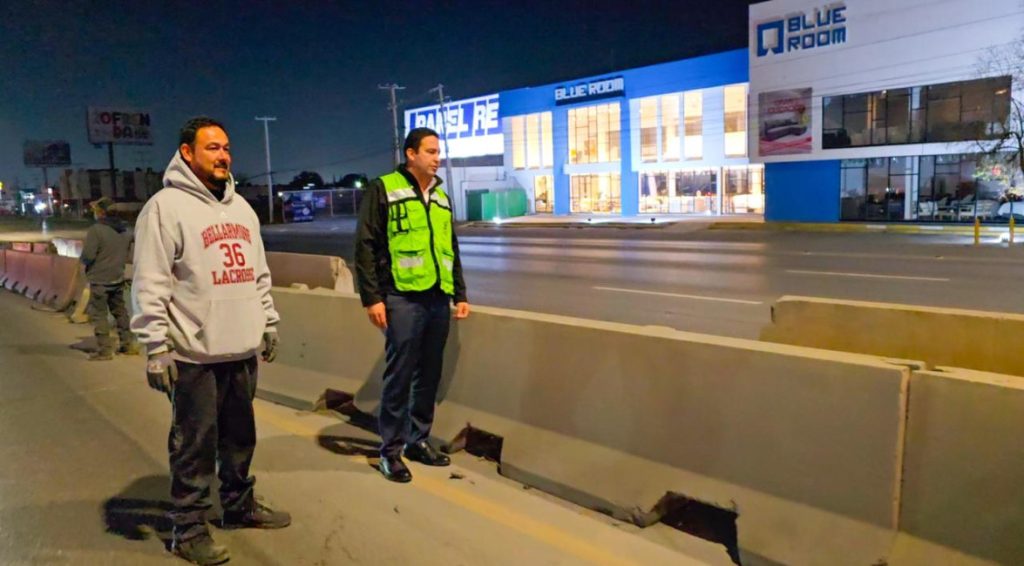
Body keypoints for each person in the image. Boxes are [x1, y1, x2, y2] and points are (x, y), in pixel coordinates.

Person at [131, 117, 289, 565]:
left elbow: (258, 273)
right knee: (194, 444)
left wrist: (268, 321)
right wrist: (156, 347)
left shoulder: (243, 210)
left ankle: (238, 506)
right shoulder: (164, 208)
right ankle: (188, 529)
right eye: (212, 148)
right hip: (193, 354)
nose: (223, 156)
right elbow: (150, 281)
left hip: (241, 348)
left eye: (226, 148)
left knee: (240, 438)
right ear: (187, 152)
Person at [355, 127, 470, 483]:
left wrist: (460, 293)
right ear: (411, 153)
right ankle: (390, 452)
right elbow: (365, 245)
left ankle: (417, 440)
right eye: (431, 152)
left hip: (437, 296)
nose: (438, 158)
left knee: (429, 374)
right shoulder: (384, 188)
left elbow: (450, 248)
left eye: (438, 152)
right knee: (400, 375)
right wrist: (372, 298)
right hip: (401, 297)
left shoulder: (441, 196)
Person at [80, 196, 136, 360]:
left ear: (101, 212)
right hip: (117, 277)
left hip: (99, 279)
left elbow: (88, 256)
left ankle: (104, 350)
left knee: (99, 314)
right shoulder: (126, 231)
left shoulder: (96, 230)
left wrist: (85, 262)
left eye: (96, 210)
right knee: (120, 312)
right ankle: (127, 344)